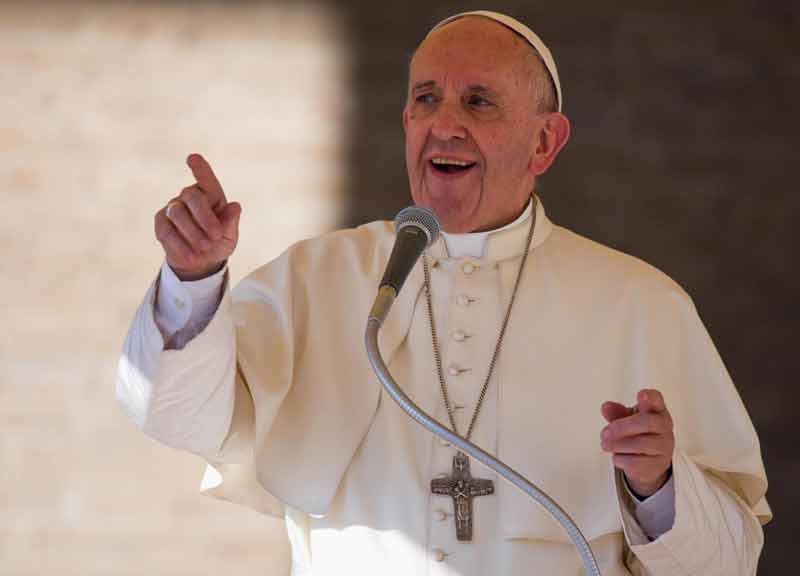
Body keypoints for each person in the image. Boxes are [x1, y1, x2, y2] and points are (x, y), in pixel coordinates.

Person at [117, 10, 770, 575]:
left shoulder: (639, 303)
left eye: (479, 101)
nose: (445, 122)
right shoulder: (319, 277)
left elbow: (732, 562)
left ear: (544, 142)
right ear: (406, 120)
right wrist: (192, 279)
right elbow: (172, 417)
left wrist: (658, 487)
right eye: (426, 98)